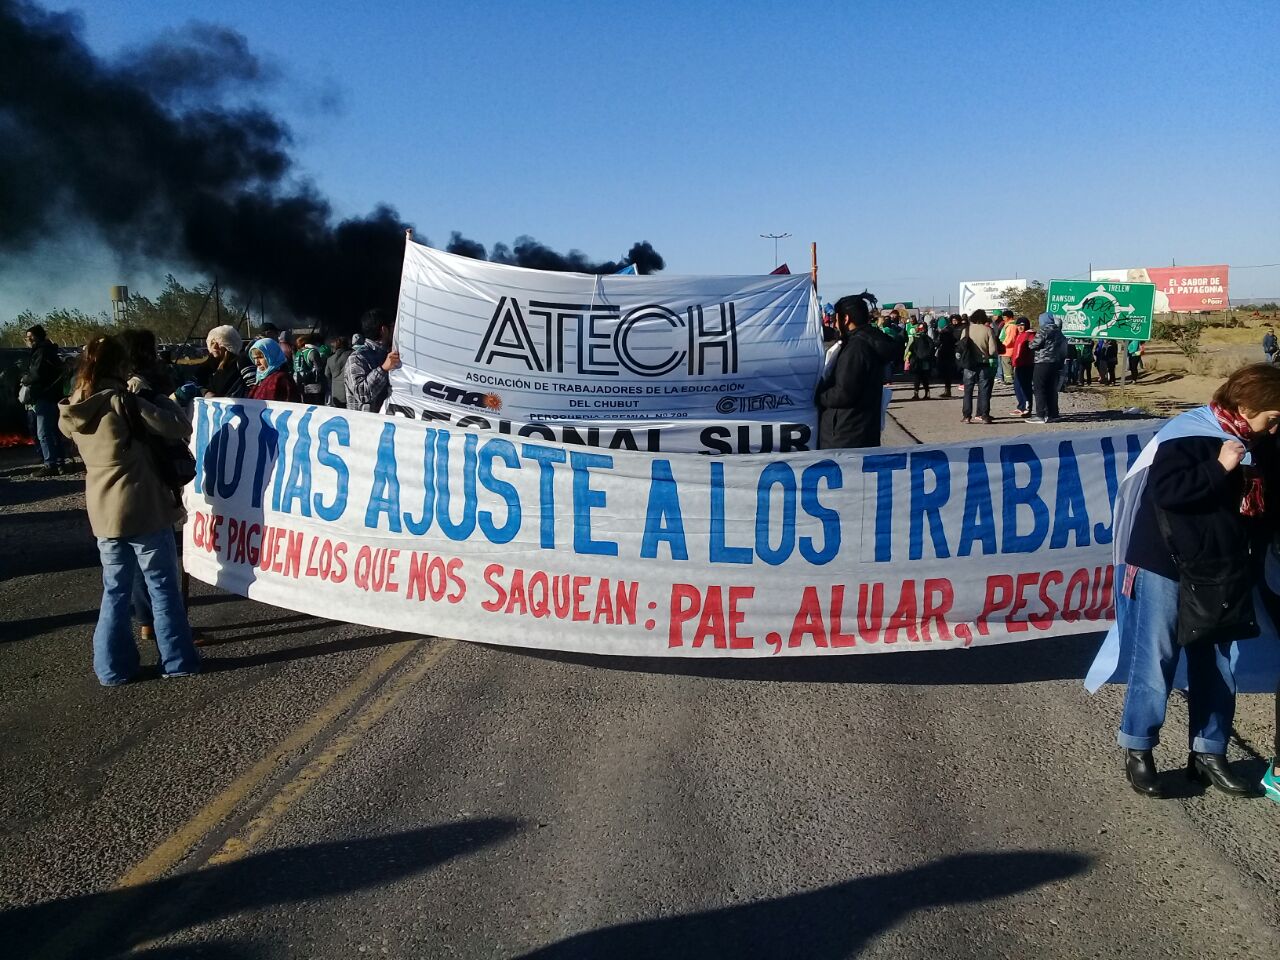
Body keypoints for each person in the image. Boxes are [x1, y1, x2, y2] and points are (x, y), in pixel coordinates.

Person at [1101, 364, 1280, 799]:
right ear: (1244, 405)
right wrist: (1219, 467)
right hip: (1166, 564)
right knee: (1156, 658)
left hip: (1224, 568)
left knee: (1218, 661)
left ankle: (1208, 754)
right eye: (1272, 416)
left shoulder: (1263, 443)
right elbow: (1169, 493)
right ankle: (1140, 749)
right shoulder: (1187, 433)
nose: (1276, 425)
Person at [57, 335, 200, 685]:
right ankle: (177, 660)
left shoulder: (74, 405)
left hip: (103, 509)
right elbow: (179, 426)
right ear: (120, 367)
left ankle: (112, 669)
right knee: (162, 586)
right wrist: (146, 394)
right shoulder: (124, 401)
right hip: (143, 505)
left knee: (115, 591)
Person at [815, 292, 898, 448]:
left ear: (845, 319)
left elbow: (844, 393)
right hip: (861, 430)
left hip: (846, 434)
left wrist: (820, 396)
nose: (834, 324)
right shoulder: (868, 342)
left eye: (835, 319)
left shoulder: (856, 348)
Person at [20, 324, 68, 476]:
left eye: (28, 337)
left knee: (43, 433)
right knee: (53, 431)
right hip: (52, 395)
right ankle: (60, 463)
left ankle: (50, 464)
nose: (27, 341)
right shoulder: (49, 351)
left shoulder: (41, 352)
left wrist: (25, 379)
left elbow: (37, 374)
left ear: (34, 338)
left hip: (44, 396)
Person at [345, 309, 401, 413]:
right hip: (364, 426)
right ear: (384, 330)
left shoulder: (389, 354)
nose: (396, 331)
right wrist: (383, 369)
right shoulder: (357, 357)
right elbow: (362, 394)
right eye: (393, 327)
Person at [1026, 312, 1067, 424]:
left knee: (1039, 388)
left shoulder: (1044, 331)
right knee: (1051, 389)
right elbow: (1064, 348)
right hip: (1055, 362)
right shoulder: (1059, 332)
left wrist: (1029, 341)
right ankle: (1053, 413)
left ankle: (1040, 415)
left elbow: (1034, 345)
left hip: (1042, 362)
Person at [958, 309, 997, 424]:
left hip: (969, 364)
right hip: (983, 364)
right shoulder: (988, 330)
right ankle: (984, 415)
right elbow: (992, 350)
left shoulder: (966, 330)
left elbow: (961, 347)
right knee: (984, 390)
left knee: (968, 391)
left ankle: (967, 416)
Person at [203, 325, 254, 398]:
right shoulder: (210, 364)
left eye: (219, 343)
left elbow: (254, 388)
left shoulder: (242, 361)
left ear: (230, 344)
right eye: (212, 343)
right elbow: (198, 383)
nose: (214, 347)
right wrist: (205, 392)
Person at [247, 338, 302, 402]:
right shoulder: (260, 378)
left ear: (272, 355)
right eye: (255, 358)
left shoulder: (282, 379)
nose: (257, 363)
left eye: (260, 357)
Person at [1008, 316, 1036, 417]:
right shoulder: (1020, 335)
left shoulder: (1030, 335)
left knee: (1025, 387)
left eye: (1022, 325)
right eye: (1018, 325)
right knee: (1017, 386)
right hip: (1018, 364)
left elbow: (1033, 347)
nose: (1020, 327)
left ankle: (1027, 408)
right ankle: (1021, 406)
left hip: (1026, 364)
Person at [292, 334, 327, 404]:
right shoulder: (312, 352)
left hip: (302, 385)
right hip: (314, 386)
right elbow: (318, 368)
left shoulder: (298, 353)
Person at [906, 322, 934, 400]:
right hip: (923, 360)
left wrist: (909, 356)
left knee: (917, 378)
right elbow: (932, 349)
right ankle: (926, 393)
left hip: (918, 360)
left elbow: (910, 348)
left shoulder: (916, 338)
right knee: (924, 378)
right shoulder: (928, 339)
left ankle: (917, 394)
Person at [933, 316, 958, 398]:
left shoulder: (943, 334)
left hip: (944, 354)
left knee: (945, 374)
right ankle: (948, 390)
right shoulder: (952, 331)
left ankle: (947, 391)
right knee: (948, 374)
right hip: (951, 354)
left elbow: (937, 343)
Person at [325, 336, 353, 408]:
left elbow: (327, 375)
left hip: (336, 393)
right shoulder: (352, 355)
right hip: (349, 392)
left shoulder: (330, 359)